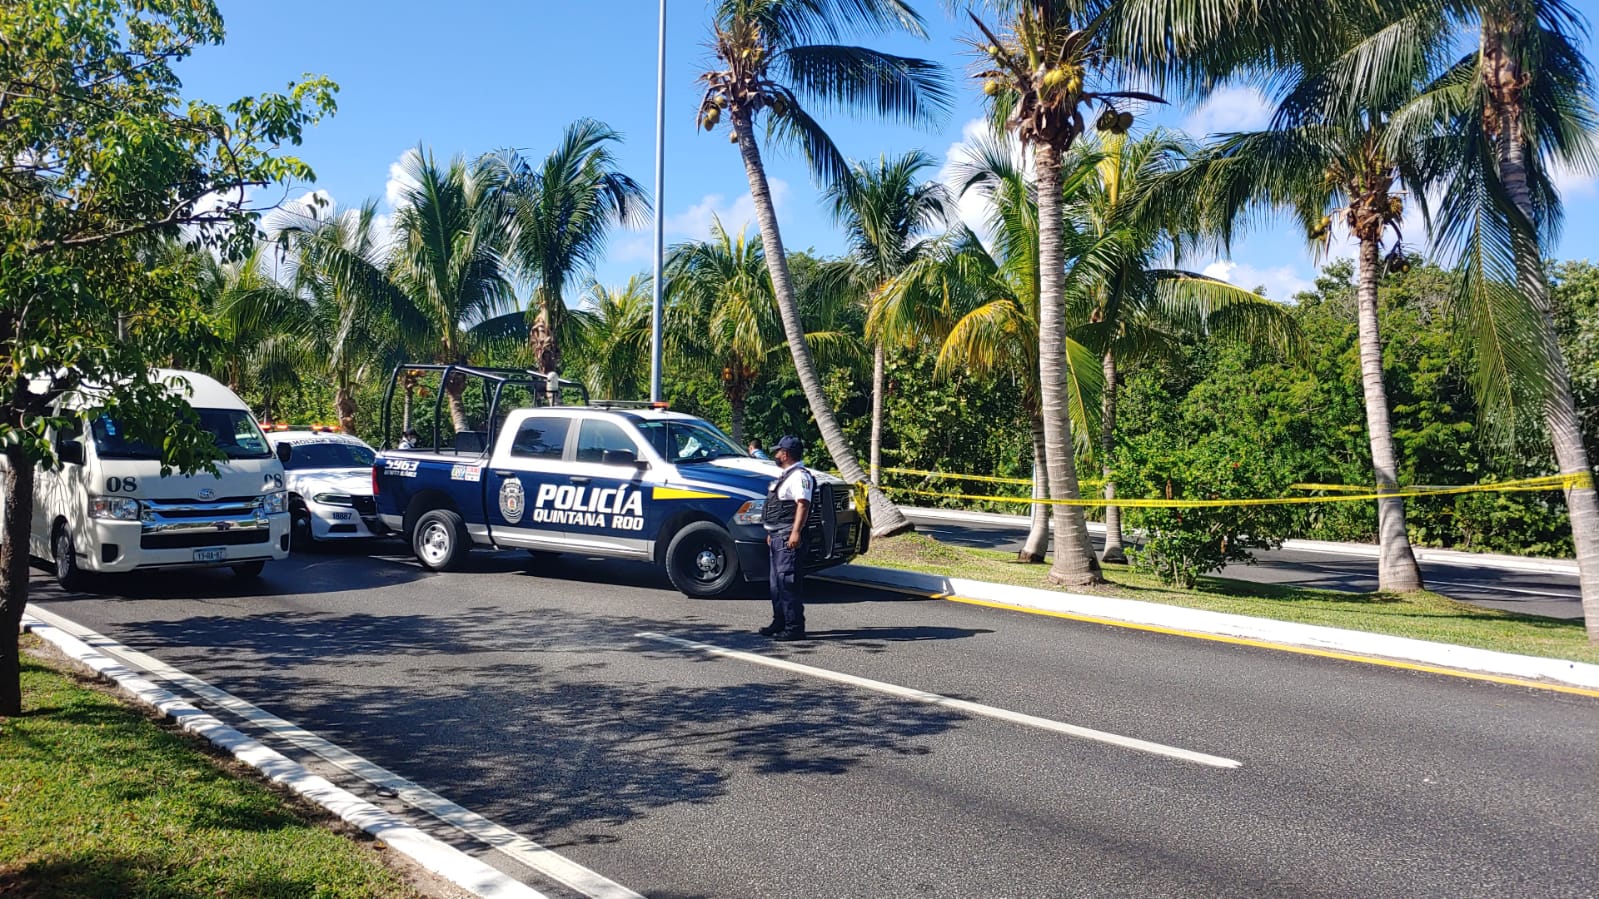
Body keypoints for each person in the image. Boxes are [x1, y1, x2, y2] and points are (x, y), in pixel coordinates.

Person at [759, 435, 813, 641]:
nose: (776, 454)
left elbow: (803, 504)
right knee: (776, 583)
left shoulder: (800, 476)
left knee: (787, 582)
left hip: (788, 537)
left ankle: (794, 627)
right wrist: (771, 533)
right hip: (778, 535)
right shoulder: (786, 475)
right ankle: (779, 621)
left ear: (786, 454)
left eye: (778, 451)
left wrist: (796, 532)